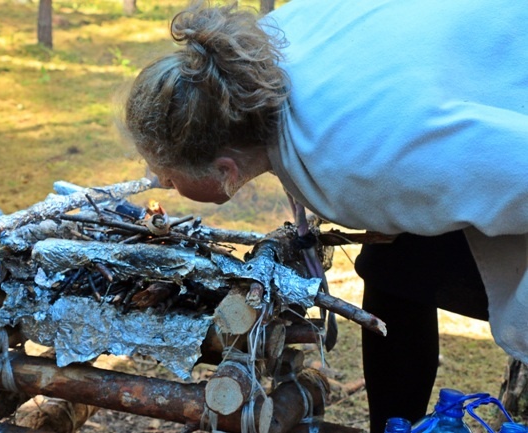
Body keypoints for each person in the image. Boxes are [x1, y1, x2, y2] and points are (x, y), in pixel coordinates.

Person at [124, 1, 528, 432]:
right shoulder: (253, 59)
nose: (158, 180)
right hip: (450, 92)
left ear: (227, 171)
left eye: (167, 172)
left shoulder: (360, 158)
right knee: (396, 267)